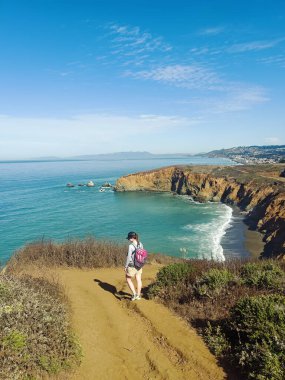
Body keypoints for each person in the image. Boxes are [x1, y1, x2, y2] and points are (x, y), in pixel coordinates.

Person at [125, 231, 143, 301]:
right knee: (138, 279)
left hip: (132, 265)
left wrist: (126, 266)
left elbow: (128, 257)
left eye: (129, 238)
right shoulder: (140, 244)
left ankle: (134, 294)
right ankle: (138, 295)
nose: (128, 240)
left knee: (128, 279)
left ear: (132, 238)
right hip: (139, 264)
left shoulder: (131, 246)